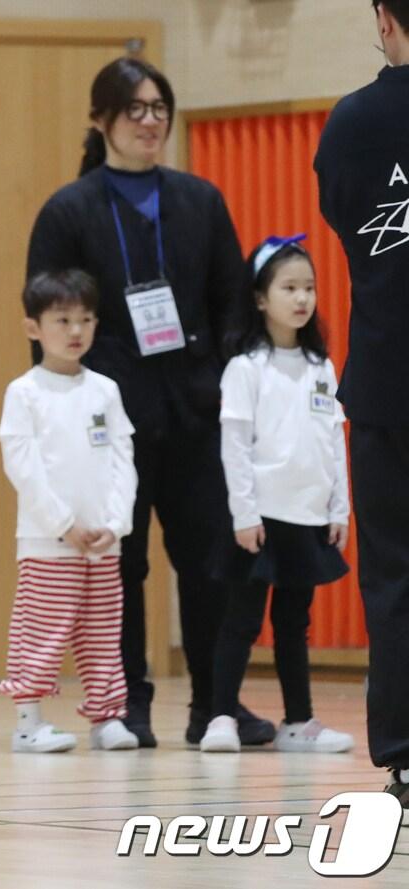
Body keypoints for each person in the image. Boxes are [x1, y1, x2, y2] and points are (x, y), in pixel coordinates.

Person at [26, 56, 274, 748]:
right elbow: (47, 320)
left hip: (196, 412)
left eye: (159, 106)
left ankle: (215, 705)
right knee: (120, 566)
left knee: (210, 563)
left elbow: (233, 299)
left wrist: (225, 381)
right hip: (111, 420)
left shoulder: (199, 199)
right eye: (134, 108)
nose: (150, 120)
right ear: (100, 119)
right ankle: (126, 701)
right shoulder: (69, 209)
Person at [200, 236, 354, 755]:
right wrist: (244, 513)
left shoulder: (321, 367)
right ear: (261, 299)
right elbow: (235, 447)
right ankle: (220, 715)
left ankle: (299, 721)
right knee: (242, 619)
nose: (301, 298)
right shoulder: (246, 367)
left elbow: (333, 440)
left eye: (308, 287)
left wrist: (339, 509)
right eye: (288, 287)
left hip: (307, 515)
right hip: (259, 517)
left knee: (295, 622)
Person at [314, 0, 409, 800]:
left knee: (394, 572)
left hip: (387, 379)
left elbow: (346, 220)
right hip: (383, 384)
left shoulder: (352, 123)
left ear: (384, 16)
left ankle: (408, 754)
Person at [0, 269, 138, 754]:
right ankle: (28, 721)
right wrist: (63, 524)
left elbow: (123, 461)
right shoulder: (24, 393)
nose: (76, 331)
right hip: (48, 542)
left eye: (85, 319)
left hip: (103, 543)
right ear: (33, 328)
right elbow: (24, 466)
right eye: (62, 320)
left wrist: (115, 524)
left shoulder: (105, 390)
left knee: (102, 634)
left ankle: (107, 717)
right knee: (41, 628)